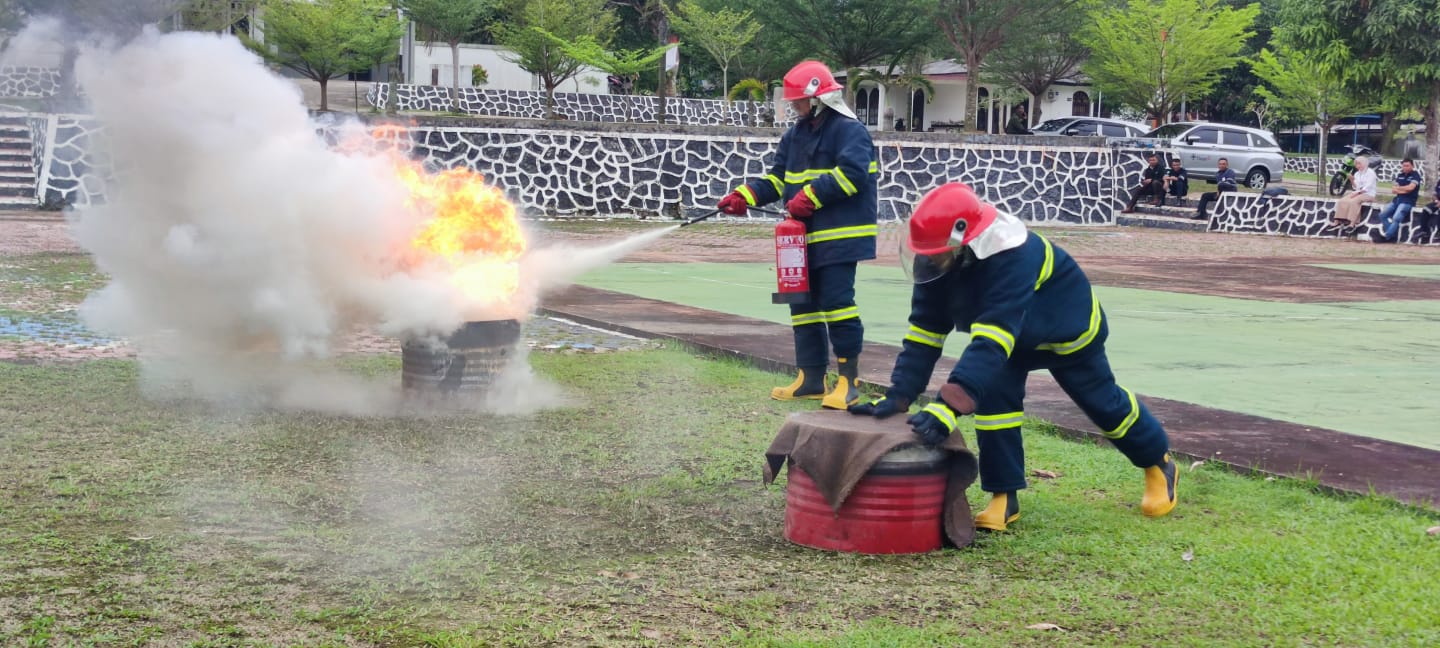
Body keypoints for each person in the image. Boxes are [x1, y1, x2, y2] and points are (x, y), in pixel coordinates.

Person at [849, 183, 1178, 531]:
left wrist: (948, 406)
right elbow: (925, 331)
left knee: (1102, 403)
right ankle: (1004, 496)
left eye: (936, 252)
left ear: (965, 242)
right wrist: (899, 394)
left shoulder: (1014, 256)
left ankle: (1158, 461)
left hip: (1065, 331)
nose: (927, 258)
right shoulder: (937, 260)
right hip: (1009, 340)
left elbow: (993, 337)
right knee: (995, 407)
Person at [716, 60, 879, 410]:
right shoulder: (795, 135)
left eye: (798, 101)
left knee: (837, 304)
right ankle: (810, 379)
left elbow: (854, 174)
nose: (794, 107)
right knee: (800, 307)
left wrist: (812, 194)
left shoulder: (850, 131)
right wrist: (745, 195)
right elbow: (779, 180)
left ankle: (848, 382)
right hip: (798, 240)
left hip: (839, 237)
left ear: (819, 97)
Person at [1370, 158, 1423, 244]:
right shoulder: (1399, 175)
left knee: (1396, 218)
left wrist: (1400, 188)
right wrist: (1404, 189)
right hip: (1397, 200)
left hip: (1408, 201)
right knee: (1382, 215)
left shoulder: (1415, 175)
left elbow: (1411, 188)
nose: (1405, 167)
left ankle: (1387, 237)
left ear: (1412, 166)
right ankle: (1392, 236)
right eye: (1404, 165)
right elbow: (1394, 190)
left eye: (1407, 165)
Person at [1325, 155, 1376, 233]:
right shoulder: (1357, 174)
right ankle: (1337, 221)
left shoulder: (1371, 173)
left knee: (1354, 201)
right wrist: (1352, 180)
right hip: (1357, 192)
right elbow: (1356, 187)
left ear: (1364, 164)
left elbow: (1367, 188)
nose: (1357, 166)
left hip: (1368, 194)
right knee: (1342, 201)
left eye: (1359, 164)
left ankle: (1352, 224)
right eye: (1356, 164)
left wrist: (1357, 194)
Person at [1413, 177, 1440, 245]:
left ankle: (1438, 234)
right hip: (1438, 202)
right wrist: (1436, 199)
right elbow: (1435, 194)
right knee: (1426, 209)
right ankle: (1424, 231)